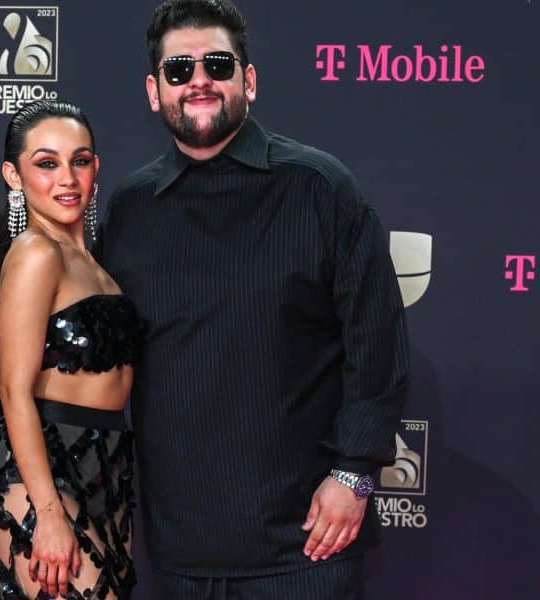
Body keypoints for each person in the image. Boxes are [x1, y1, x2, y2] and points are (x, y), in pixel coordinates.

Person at [95, 1, 409, 598]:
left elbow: (378, 346)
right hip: (179, 553)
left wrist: (355, 475)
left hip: (307, 547)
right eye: (179, 70)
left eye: (217, 64)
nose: (199, 81)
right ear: (154, 92)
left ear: (250, 80)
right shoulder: (131, 208)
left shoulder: (319, 189)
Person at [0, 100, 140, 600]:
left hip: (107, 467)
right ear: (14, 175)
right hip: (42, 471)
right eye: (47, 163)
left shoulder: (93, 262)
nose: (67, 178)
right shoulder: (35, 253)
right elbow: (13, 391)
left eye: (80, 160)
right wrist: (47, 510)